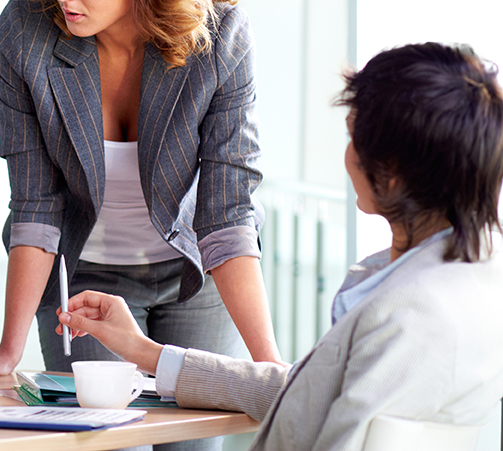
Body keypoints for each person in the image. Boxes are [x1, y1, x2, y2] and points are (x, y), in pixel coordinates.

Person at [59, 42, 503, 450]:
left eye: (354, 137)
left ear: (389, 174)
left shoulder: (408, 314)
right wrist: (144, 352)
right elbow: (310, 392)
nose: (346, 154)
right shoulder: (469, 280)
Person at [0, 0, 282, 417]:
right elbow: (36, 202)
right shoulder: (25, 34)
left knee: (196, 442)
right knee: (100, 432)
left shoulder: (219, 38)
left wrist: (270, 369)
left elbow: (228, 211)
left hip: (197, 275)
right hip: (85, 278)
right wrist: (8, 348)